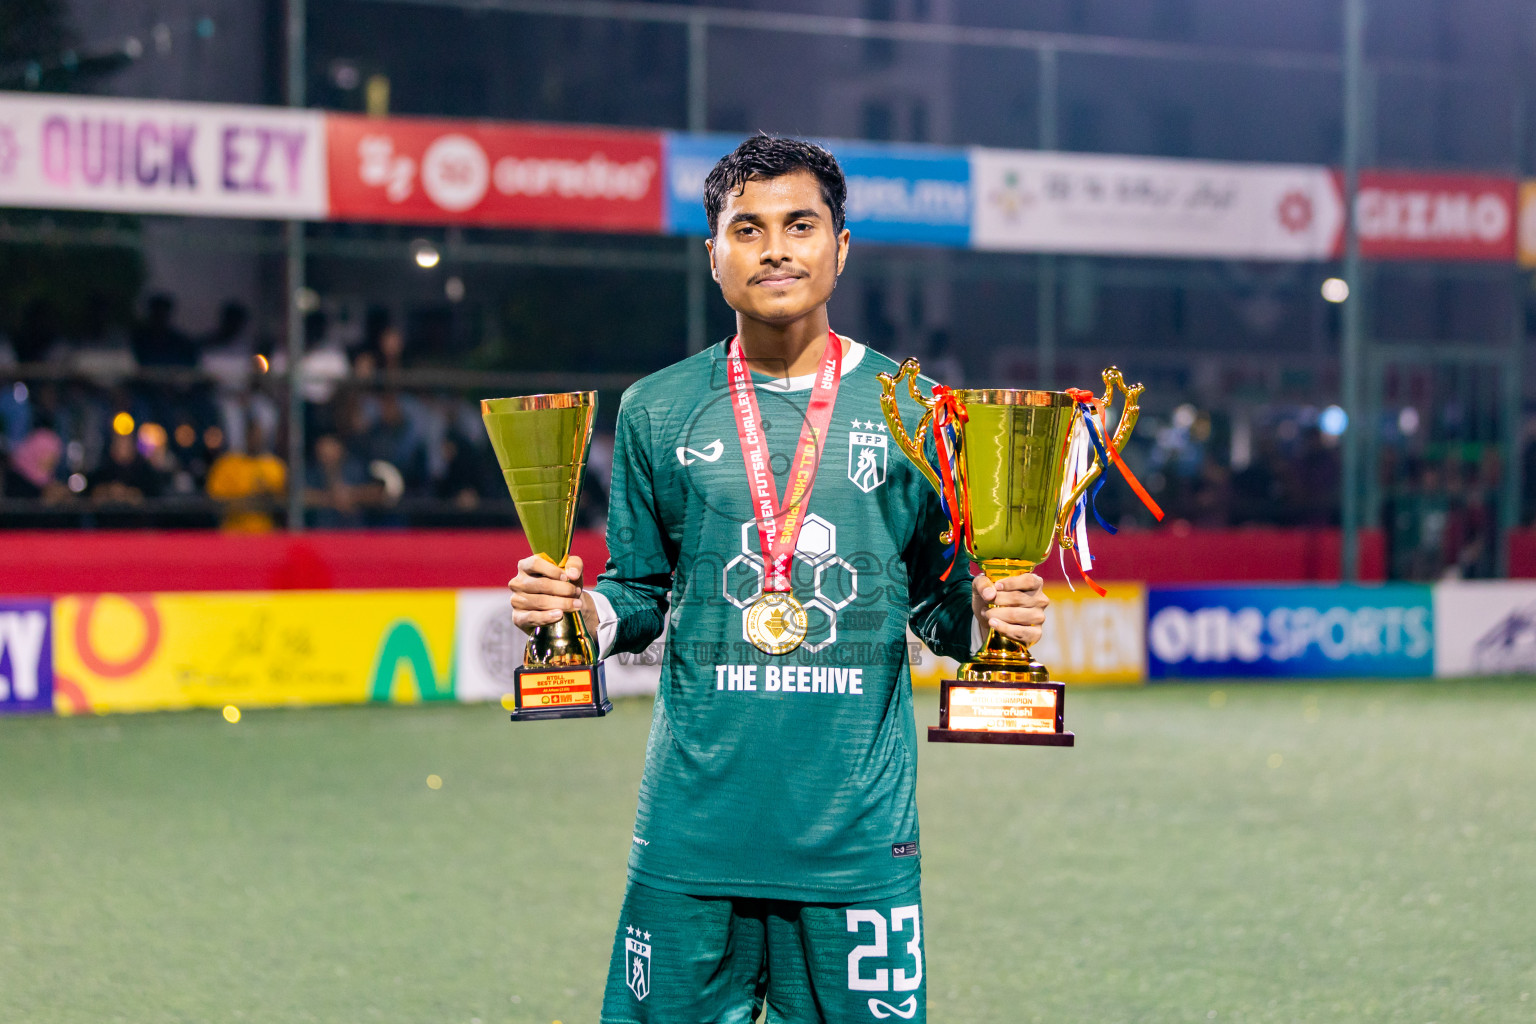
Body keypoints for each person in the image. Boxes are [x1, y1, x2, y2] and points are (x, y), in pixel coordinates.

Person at [506, 135, 1049, 1024]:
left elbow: (940, 601)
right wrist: (578, 614)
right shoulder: (656, 406)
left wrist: (993, 615)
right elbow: (640, 589)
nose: (775, 248)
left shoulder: (917, 408)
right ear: (713, 255)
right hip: (693, 832)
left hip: (857, 838)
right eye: (746, 228)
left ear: (841, 247)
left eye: (801, 225)